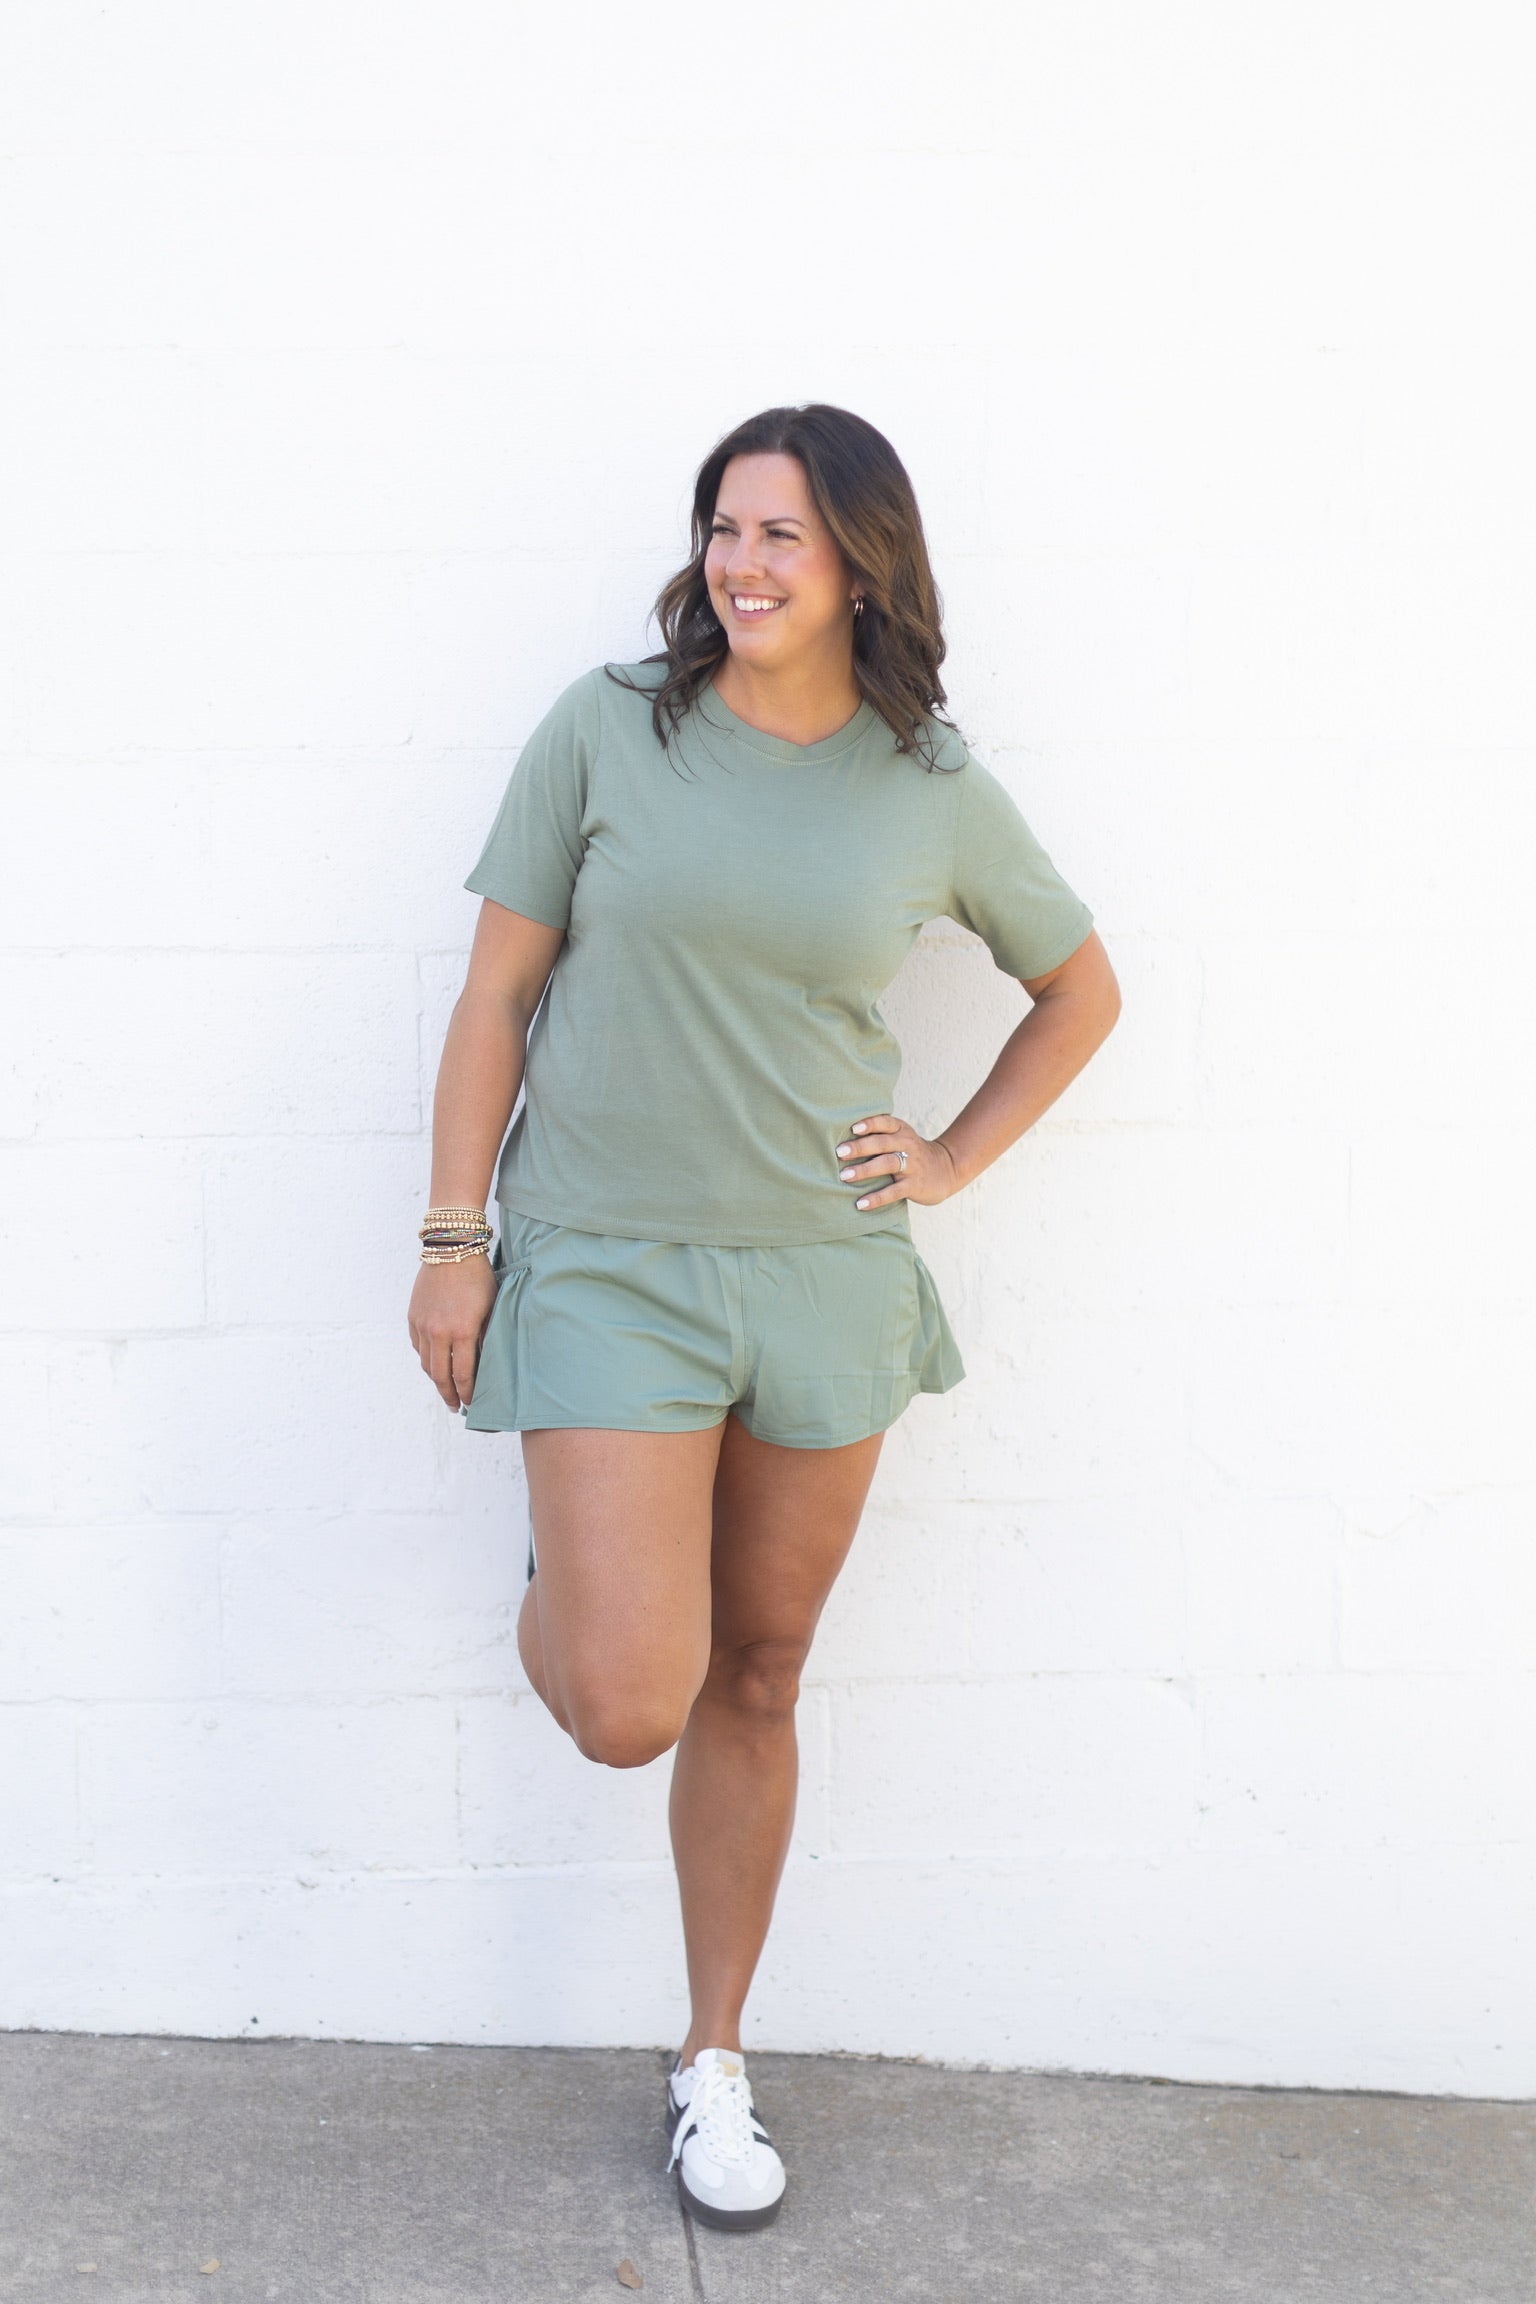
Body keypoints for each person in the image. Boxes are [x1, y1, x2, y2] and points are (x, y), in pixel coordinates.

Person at [407, 404, 1121, 2232]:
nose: (739, 563)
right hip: (609, 1263)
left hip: (823, 1274)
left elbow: (1080, 987)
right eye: (725, 527)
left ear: (863, 562)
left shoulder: (928, 781)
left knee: (763, 1669)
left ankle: (711, 2057)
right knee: (628, 1700)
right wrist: (455, 1235)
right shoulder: (608, 728)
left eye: (780, 535)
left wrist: (949, 1157)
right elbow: (495, 999)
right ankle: (580, 1581)